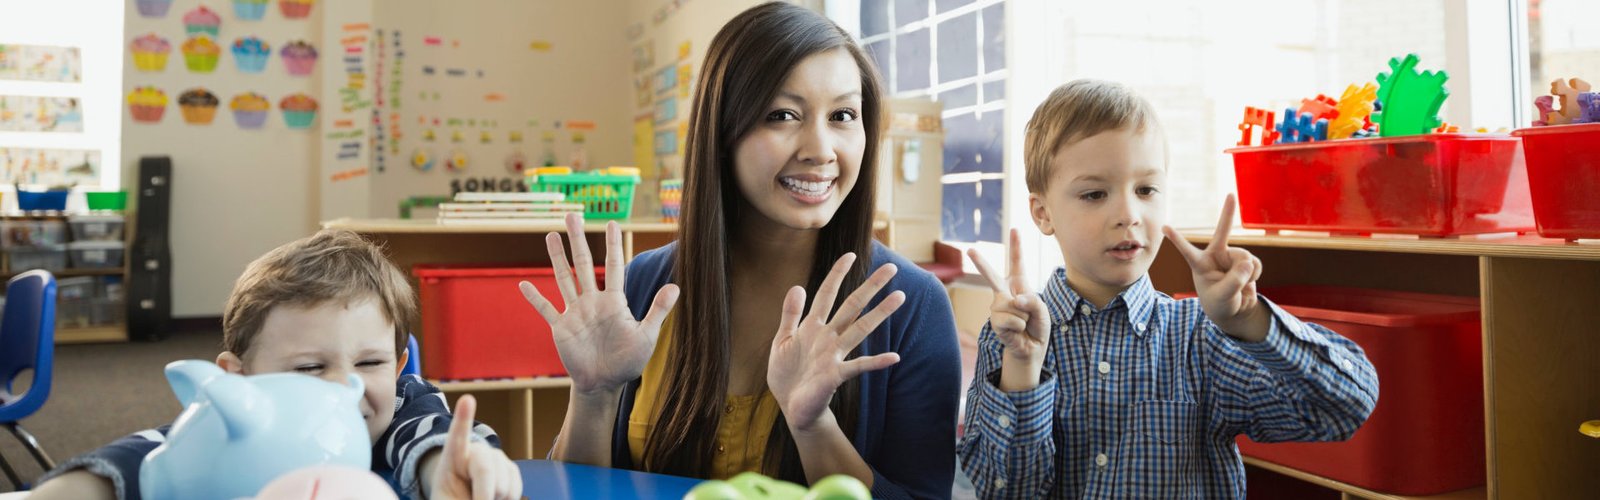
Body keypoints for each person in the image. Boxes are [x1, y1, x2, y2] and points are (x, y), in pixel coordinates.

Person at [518, 3, 961, 499]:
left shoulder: (911, 305)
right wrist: (594, 396)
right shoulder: (648, 285)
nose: (820, 148)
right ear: (723, 132)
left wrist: (814, 427)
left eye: (843, 115)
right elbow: (582, 490)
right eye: (783, 115)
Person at [956, 79, 1379, 498]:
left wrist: (1248, 320)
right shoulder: (1011, 337)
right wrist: (1023, 371)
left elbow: (1345, 406)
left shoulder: (1201, 335)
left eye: (1145, 190)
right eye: (1094, 194)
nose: (1128, 213)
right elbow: (1003, 489)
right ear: (1043, 213)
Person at [32, 229, 522, 500]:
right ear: (238, 380)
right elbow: (157, 450)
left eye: (369, 361)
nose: (342, 387)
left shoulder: (402, 406)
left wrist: (450, 471)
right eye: (309, 369)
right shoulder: (234, 427)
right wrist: (80, 486)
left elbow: (434, 437)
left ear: (396, 369)